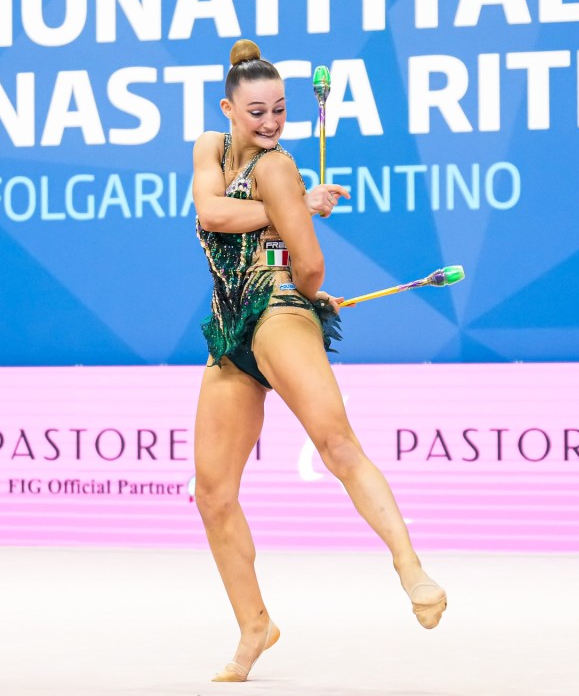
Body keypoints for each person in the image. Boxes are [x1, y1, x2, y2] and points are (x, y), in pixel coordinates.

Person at [191, 39, 448, 683]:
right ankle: (255, 625)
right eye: (257, 111)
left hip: (279, 309)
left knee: (336, 443)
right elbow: (211, 212)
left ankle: (410, 567)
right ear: (228, 109)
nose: (271, 122)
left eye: (280, 109)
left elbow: (309, 265)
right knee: (212, 494)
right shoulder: (210, 150)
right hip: (229, 333)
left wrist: (306, 289)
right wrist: (295, 209)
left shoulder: (280, 167)